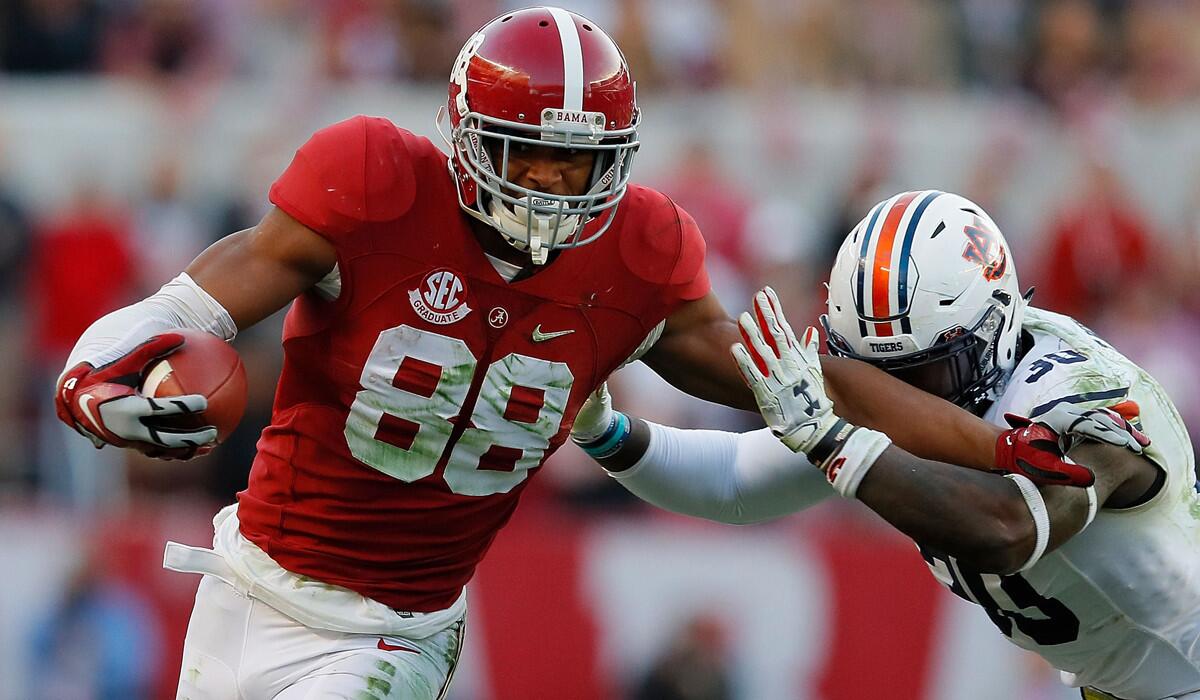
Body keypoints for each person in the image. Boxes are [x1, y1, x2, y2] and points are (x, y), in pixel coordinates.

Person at [53, 9, 1058, 696]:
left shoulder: (639, 259)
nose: (550, 186)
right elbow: (196, 300)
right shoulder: (373, 184)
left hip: (392, 628)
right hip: (247, 578)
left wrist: (997, 443)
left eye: (578, 163)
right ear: (463, 132)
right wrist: (91, 381)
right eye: (528, 152)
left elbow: (812, 379)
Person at [576, 190, 1198, 700]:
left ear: (992, 334)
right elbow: (738, 481)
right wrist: (603, 431)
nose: (897, 396)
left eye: (922, 373)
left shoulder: (1086, 395)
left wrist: (834, 441)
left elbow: (1011, 528)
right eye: (873, 372)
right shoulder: (920, 398)